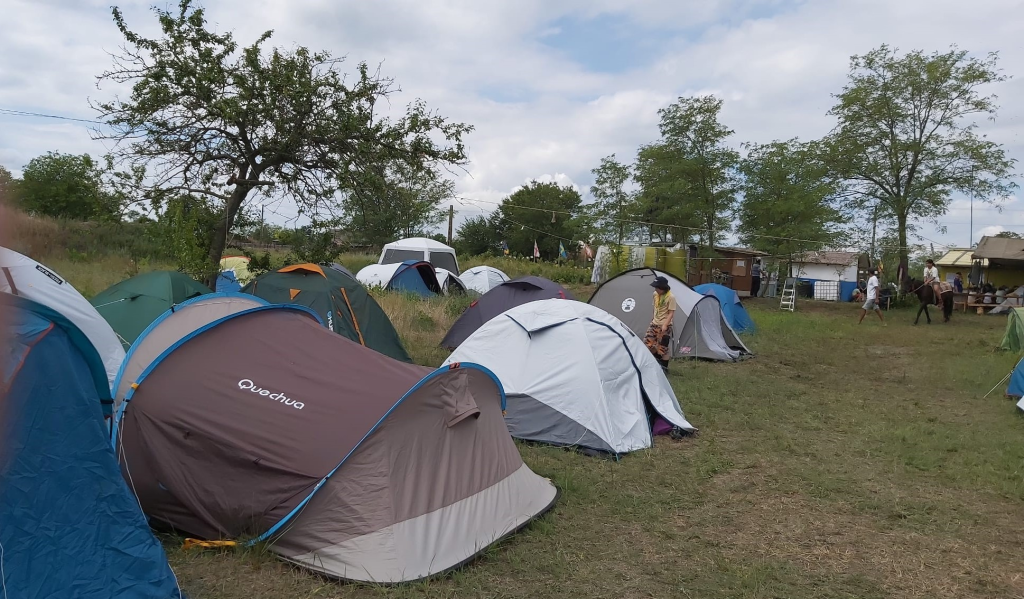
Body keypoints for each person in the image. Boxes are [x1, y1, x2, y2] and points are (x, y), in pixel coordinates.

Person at [644, 276, 676, 371]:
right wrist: (653, 318)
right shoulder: (655, 294)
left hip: (664, 325)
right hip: (654, 324)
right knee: (647, 344)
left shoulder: (671, 297)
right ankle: (655, 362)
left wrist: (665, 325)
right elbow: (655, 307)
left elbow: (671, 313)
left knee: (663, 348)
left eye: (657, 287)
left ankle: (664, 368)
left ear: (663, 287)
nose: (656, 289)